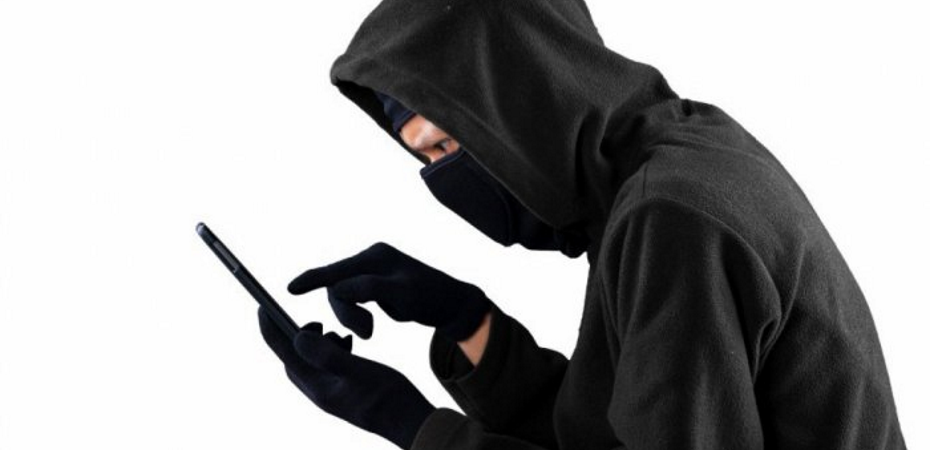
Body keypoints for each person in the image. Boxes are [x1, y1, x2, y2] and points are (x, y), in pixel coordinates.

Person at [256, 0, 908, 449]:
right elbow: (614, 432)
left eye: (446, 146)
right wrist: (467, 322)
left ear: (520, 99)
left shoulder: (669, 220)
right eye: (423, 158)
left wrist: (410, 424)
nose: (441, 178)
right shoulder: (676, 153)